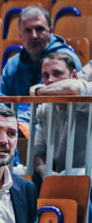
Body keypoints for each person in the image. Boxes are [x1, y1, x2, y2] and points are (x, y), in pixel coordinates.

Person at [0, 6, 82, 125]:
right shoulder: (11, 65)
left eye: (39, 29)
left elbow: (57, 108)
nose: (34, 35)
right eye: (28, 30)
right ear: (20, 34)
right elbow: (1, 104)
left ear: (50, 31)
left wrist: (16, 122)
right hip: (14, 128)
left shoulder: (66, 61)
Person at [31, 52, 92, 181]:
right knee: (21, 174)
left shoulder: (87, 94)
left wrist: (39, 91)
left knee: (74, 174)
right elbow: (39, 153)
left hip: (87, 172)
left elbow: (72, 88)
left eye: (57, 73)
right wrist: (45, 171)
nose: (50, 80)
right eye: (45, 75)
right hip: (63, 175)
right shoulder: (45, 109)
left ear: (74, 75)